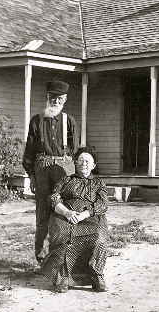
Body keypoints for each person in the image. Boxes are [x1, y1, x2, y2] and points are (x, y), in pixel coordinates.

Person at [22, 80, 79, 266]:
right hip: (42, 170)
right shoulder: (36, 120)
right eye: (52, 97)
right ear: (47, 98)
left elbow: (74, 149)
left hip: (64, 169)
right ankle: (43, 260)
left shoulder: (69, 121)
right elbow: (29, 152)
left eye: (59, 98)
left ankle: (65, 259)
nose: (55, 101)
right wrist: (31, 175)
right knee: (43, 215)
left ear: (65, 100)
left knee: (66, 212)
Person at [39, 147, 109, 293]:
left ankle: (96, 276)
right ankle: (62, 278)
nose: (84, 163)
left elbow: (103, 204)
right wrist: (66, 213)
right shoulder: (66, 180)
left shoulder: (98, 183)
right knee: (62, 233)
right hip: (66, 215)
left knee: (99, 236)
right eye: (81, 160)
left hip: (90, 217)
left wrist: (84, 214)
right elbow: (54, 198)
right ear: (76, 163)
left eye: (87, 161)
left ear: (93, 165)